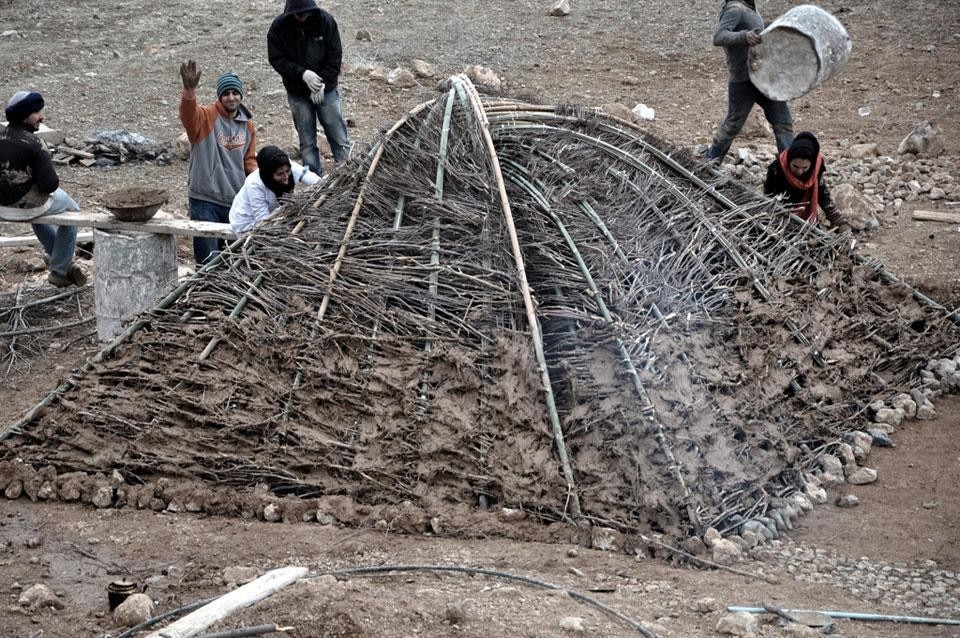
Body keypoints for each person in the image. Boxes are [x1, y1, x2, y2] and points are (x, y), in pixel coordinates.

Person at [0, 91, 86, 287]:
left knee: (43, 211)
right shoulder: (35, 144)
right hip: (25, 207)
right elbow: (49, 185)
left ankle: (61, 260)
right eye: (37, 112)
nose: (42, 116)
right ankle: (60, 269)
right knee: (71, 209)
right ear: (26, 114)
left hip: (1, 204)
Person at [178, 60, 257, 264]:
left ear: (241, 95)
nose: (231, 97)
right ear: (219, 96)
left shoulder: (247, 125)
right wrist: (189, 92)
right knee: (207, 262)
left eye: (234, 93)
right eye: (226, 93)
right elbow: (188, 117)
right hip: (205, 199)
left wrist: (259, 181)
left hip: (234, 201)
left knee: (230, 262)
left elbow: (249, 161)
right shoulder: (206, 117)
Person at [267, 0, 351, 176]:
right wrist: (302, 74)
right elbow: (277, 59)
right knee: (307, 141)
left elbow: (335, 56)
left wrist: (323, 83)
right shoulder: (279, 28)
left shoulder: (325, 21)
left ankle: (347, 174)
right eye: (300, 14)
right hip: (298, 92)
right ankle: (313, 180)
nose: (304, 17)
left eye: (307, 12)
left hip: (326, 92)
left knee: (338, 136)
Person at [704, 0, 794, 163]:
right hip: (743, 79)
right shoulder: (735, 10)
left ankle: (790, 169)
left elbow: (757, 27)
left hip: (763, 77)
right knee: (733, 124)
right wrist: (744, 36)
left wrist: (776, 25)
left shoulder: (750, 9)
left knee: (783, 123)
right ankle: (710, 161)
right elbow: (719, 37)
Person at [229, 145, 321, 234]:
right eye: (279, 174)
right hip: (247, 221)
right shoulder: (254, 184)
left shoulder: (284, 165)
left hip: (273, 213)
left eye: (288, 171)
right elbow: (262, 220)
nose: (285, 177)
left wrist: (322, 186)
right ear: (268, 174)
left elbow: (308, 176)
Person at [764, 131, 847, 230]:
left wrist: (838, 220)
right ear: (789, 159)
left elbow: (821, 193)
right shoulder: (777, 168)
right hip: (782, 216)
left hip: (807, 217)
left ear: (811, 164)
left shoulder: (816, 167)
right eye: (795, 166)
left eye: (805, 167)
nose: (799, 172)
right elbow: (770, 198)